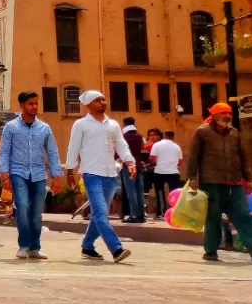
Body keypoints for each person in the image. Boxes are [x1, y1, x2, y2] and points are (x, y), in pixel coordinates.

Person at [65, 90, 134, 263]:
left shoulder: (113, 124)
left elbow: (121, 145)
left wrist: (129, 162)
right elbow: (73, 148)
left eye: (103, 100)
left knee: (98, 214)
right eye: (97, 100)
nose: (102, 103)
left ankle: (88, 246)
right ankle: (116, 249)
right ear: (88, 104)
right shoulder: (81, 124)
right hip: (91, 173)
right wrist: (70, 170)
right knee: (101, 212)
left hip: (110, 174)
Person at [186, 102, 252, 262]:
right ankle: (211, 252)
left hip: (235, 183)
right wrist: (192, 178)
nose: (227, 116)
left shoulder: (234, 133)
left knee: (244, 217)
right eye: (223, 113)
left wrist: (249, 179)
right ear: (214, 115)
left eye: (229, 113)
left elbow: (243, 157)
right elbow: (193, 156)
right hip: (211, 182)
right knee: (213, 218)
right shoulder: (202, 132)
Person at [0, 90, 62, 259]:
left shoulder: (44, 128)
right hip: (18, 172)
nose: (34, 107)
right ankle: (24, 246)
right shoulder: (11, 128)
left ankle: (35, 248)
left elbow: (52, 152)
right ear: (21, 106)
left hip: (39, 174)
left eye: (36, 103)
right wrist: (4, 174)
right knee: (23, 206)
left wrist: (56, 176)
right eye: (30, 104)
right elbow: (4, 152)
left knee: (36, 212)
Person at [149, 129, 184, 219]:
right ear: (173, 137)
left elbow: (152, 158)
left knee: (160, 192)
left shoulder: (156, 145)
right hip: (173, 172)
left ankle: (161, 212)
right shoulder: (177, 147)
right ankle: (176, 212)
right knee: (175, 193)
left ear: (164, 136)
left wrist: (156, 163)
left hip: (159, 172)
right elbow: (180, 162)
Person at [119, 117, 146, 223]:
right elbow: (143, 149)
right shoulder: (139, 136)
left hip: (128, 166)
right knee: (140, 191)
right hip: (139, 165)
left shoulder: (123, 137)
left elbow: (119, 151)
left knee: (131, 191)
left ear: (125, 124)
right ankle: (141, 215)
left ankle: (134, 215)